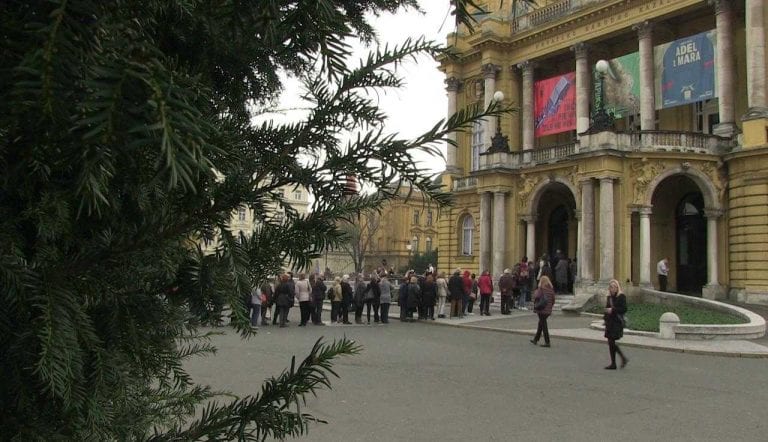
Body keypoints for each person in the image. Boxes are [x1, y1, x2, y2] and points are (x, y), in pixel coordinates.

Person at [604, 279, 629, 369]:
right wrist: (605, 316)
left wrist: (613, 310)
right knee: (610, 342)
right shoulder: (609, 297)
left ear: (617, 287)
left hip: (617, 322)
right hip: (610, 322)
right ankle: (614, 362)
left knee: (611, 342)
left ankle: (622, 359)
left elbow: (624, 309)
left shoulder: (621, 296)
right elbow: (607, 308)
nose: (612, 288)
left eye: (614, 287)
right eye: (610, 287)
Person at [530, 275, 555, 347]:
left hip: (541, 309)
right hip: (548, 310)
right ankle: (535, 339)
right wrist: (550, 307)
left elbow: (536, 296)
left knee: (544, 325)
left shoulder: (541, 289)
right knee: (540, 324)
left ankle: (547, 342)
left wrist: (537, 290)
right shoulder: (551, 290)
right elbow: (553, 300)